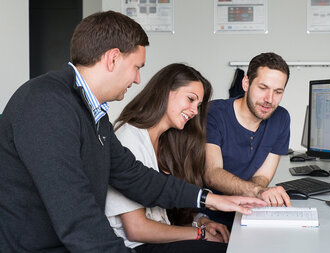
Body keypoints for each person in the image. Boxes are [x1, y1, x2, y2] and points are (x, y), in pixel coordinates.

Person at [0, 11, 265, 252]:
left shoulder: (92, 112)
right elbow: (77, 217)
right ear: (113, 58)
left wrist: (211, 200)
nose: (138, 79)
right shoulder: (46, 104)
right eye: (137, 67)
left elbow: (136, 178)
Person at [105, 63, 229, 253]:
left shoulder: (165, 141)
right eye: (190, 99)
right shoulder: (128, 137)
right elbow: (137, 230)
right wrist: (199, 234)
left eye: (198, 105)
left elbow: (167, 210)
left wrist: (200, 222)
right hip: (136, 247)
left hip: (157, 242)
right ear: (166, 91)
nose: (195, 111)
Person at [203, 52, 292, 228]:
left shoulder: (281, 118)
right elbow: (212, 174)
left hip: (248, 212)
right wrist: (258, 192)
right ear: (246, 83)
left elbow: (263, 175)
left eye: (278, 92)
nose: (269, 99)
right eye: (263, 88)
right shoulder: (214, 113)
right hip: (209, 215)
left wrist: (253, 197)